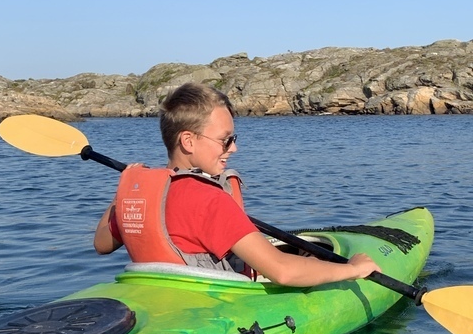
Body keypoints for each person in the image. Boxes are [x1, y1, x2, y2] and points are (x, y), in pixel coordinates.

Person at [94, 82, 381, 286]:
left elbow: (102, 245)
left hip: (163, 303)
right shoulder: (209, 200)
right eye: (226, 139)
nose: (233, 149)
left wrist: (127, 188)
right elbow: (283, 271)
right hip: (213, 313)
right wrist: (353, 270)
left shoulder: (144, 196)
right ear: (188, 141)